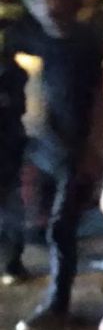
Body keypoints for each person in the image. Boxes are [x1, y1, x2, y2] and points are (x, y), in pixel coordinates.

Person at [4, 0, 103, 330]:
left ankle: (57, 305)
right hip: (42, 146)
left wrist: (93, 148)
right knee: (24, 214)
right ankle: (20, 269)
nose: (45, 4)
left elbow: (96, 98)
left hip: (73, 151)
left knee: (61, 230)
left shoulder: (85, 42)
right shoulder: (42, 36)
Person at [0, 22, 29, 286]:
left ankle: (12, 263)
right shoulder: (14, 73)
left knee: (11, 211)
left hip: (8, 150)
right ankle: (12, 263)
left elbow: (16, 109)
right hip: (10, 149)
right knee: (11, 211)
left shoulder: (13, 74)